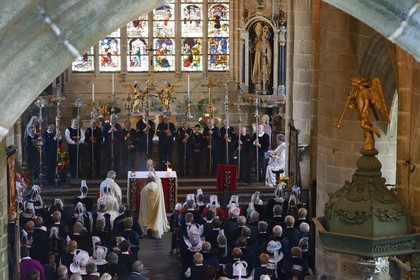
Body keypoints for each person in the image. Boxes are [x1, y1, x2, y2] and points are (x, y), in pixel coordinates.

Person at [138, 173, 169, 239]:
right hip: (156, 209)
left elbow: (142, 201)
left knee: (147, 217)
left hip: (147, 210)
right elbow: (161, 199)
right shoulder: (158, 188)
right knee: (156, 218)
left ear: (148, 181)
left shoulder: (144, 189)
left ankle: (148, 229)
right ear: (154, 180)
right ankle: (155, 229)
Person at [250, 22, 272, 89]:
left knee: (263, 72)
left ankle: (264, 85)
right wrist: (250, 45)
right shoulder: (256, 42)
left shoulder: (266, 42)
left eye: (259, 31)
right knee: (256, 71)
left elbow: (269, 50)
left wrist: (266, 55)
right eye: (257, 31)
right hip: (256, 59)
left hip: (263, 60)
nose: (258, 33)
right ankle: (257, 84)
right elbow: (252, 50)